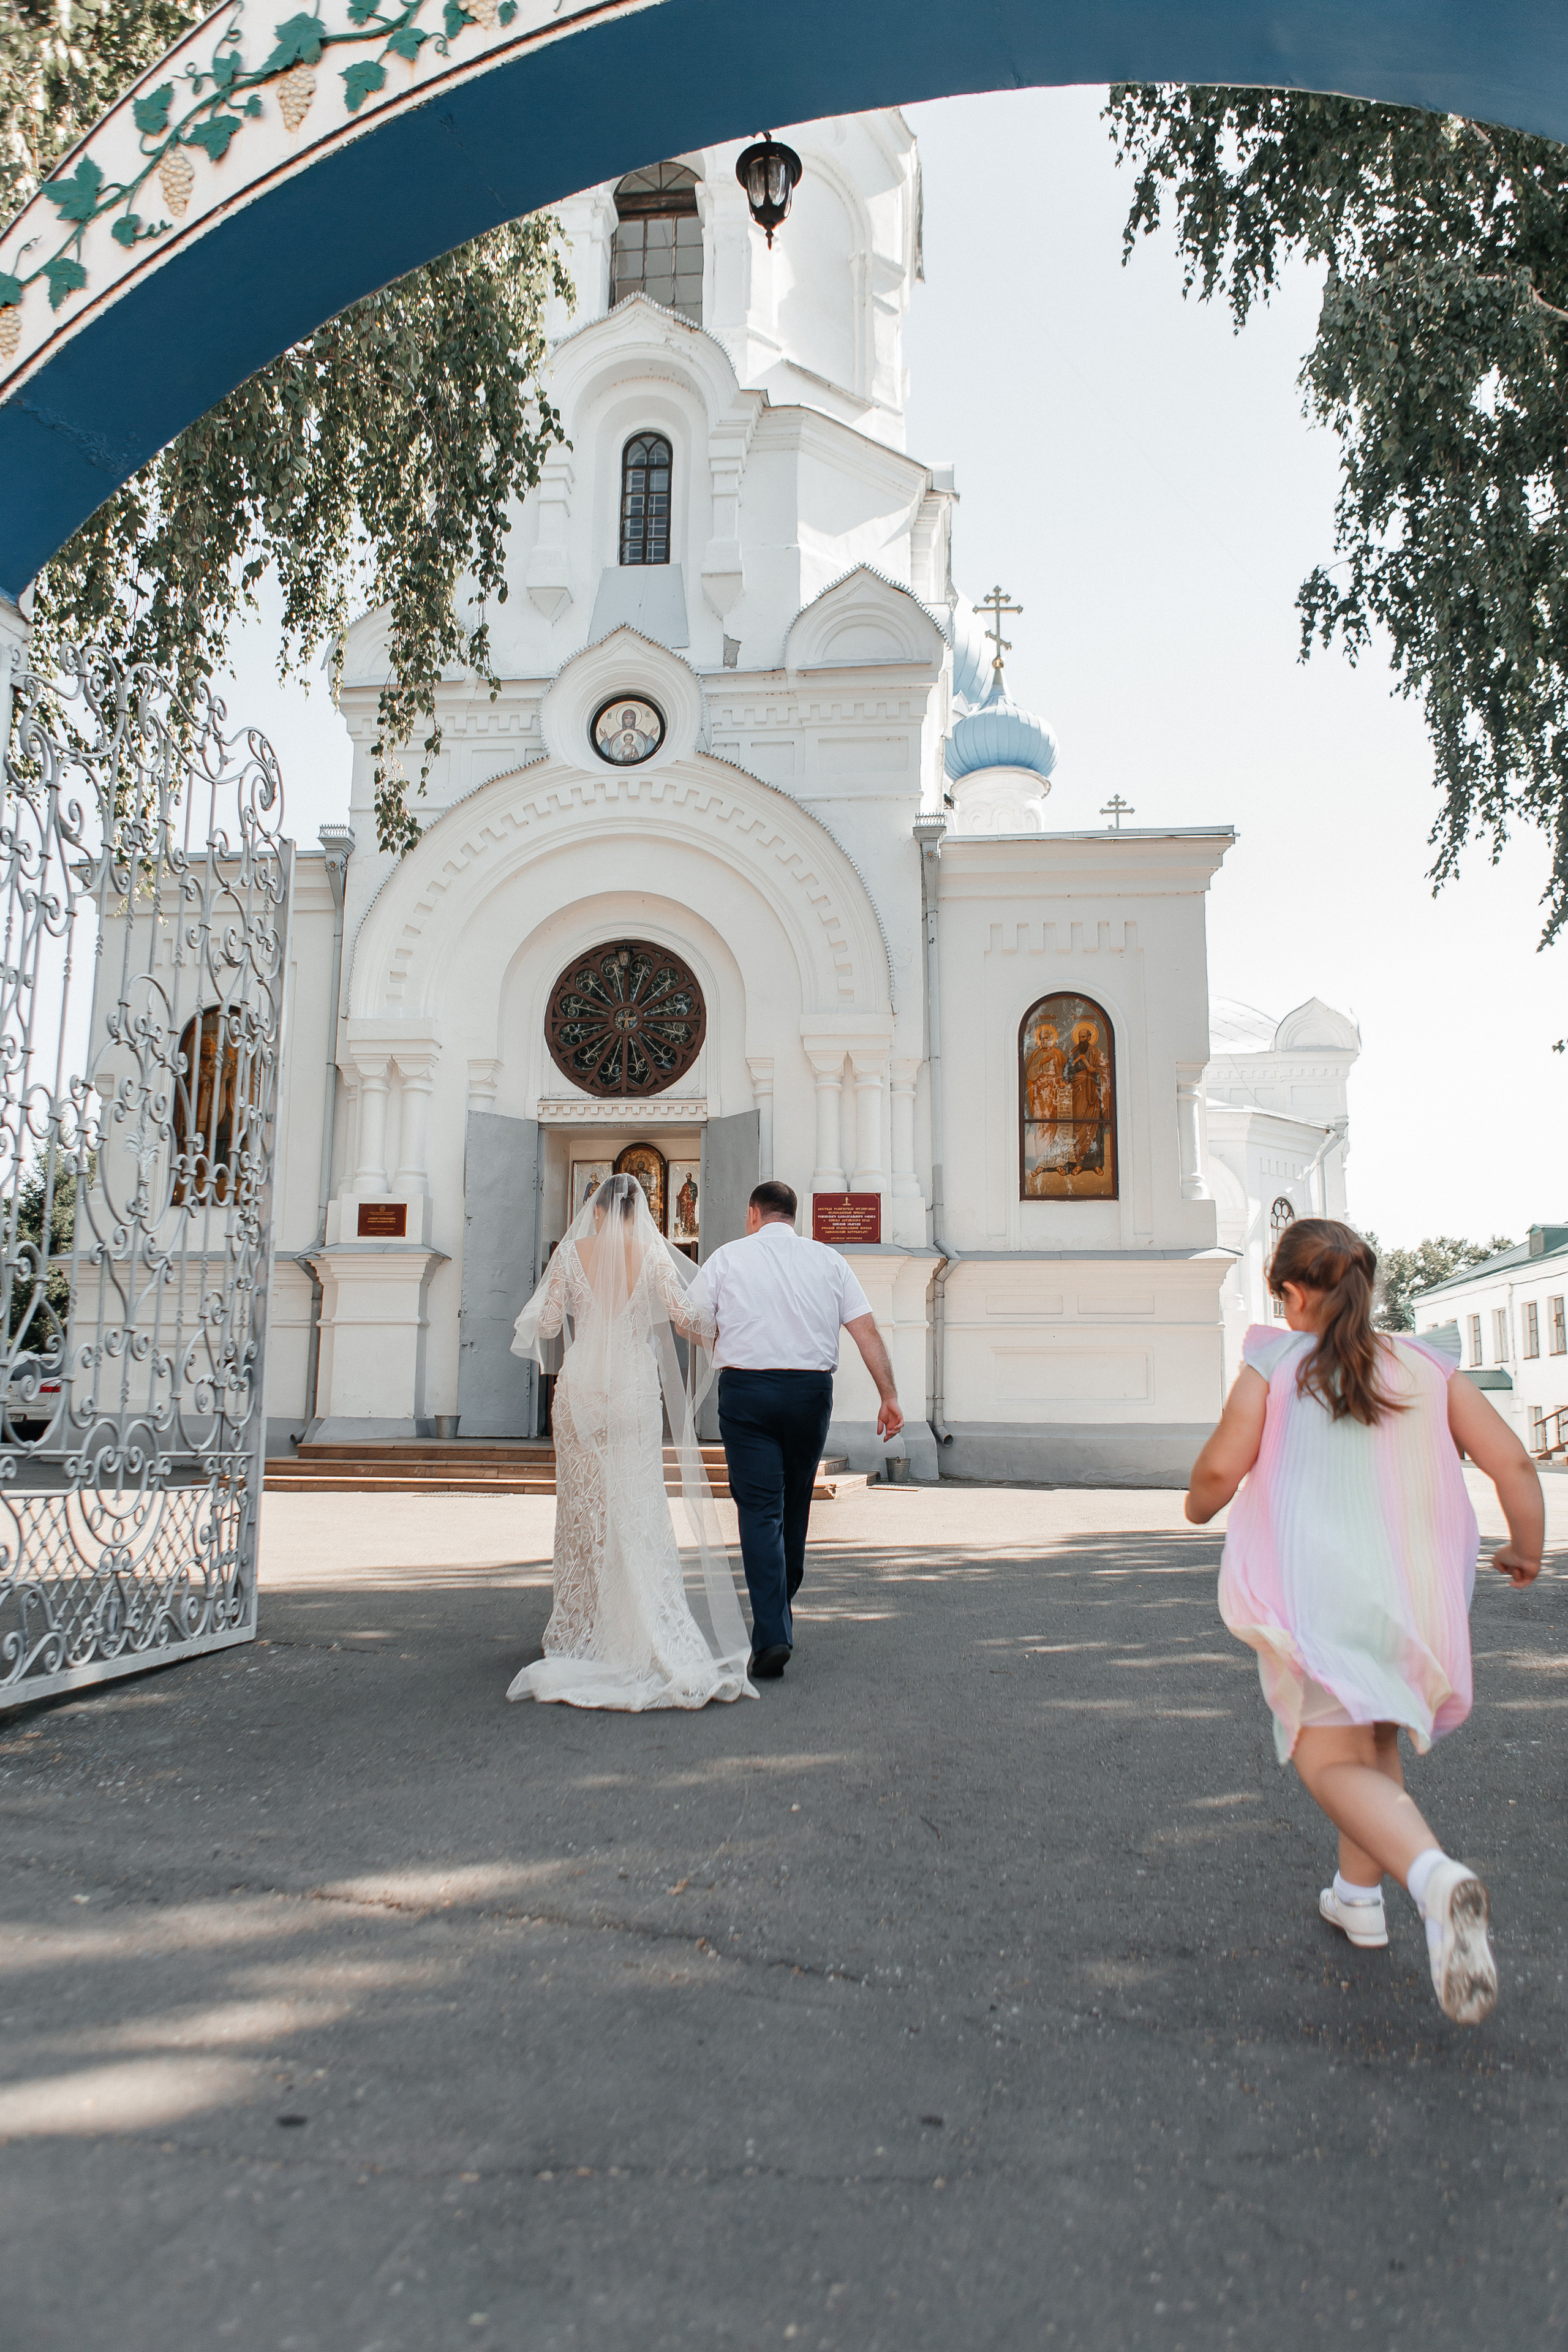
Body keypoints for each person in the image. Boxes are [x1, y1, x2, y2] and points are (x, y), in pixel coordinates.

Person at [1186, 1218, 1545, 2026]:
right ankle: (1358, 1897)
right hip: (1419, 1596)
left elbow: (1219, 1466)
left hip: (1325, 1593)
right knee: (1373, 1739)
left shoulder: (1275, 1361)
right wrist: (1527, 1547)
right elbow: (1513, 1463)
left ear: (1291, 1293)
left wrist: (1199, 1503)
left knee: (1326, 1758)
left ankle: (1431, 1878)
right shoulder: (1427, 1363)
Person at [505, 1174, 753, 1711]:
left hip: (581, 1391)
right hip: (633, 1390)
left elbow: (547, 1326)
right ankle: (640, 1626)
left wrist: (563, 1302)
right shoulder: (654, 1255)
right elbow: (687, 1318)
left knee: (585, 1508)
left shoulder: (571, 1255)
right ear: (639, 1212)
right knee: (636, 1503)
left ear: (594, 1211)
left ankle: (583, 1626)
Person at [686, 1179, 903, 1679]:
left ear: (753, 1213)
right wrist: (889, 1396)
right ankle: (776, 1617)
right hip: (809, 1396)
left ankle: (772, 1632)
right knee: (795, 1503)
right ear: (793, 1216)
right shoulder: (828, 1261)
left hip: (747, 1395)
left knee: (760, 1511)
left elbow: (690, 1323)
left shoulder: (726, 1258)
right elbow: (865, 1331)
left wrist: (722, 1330)